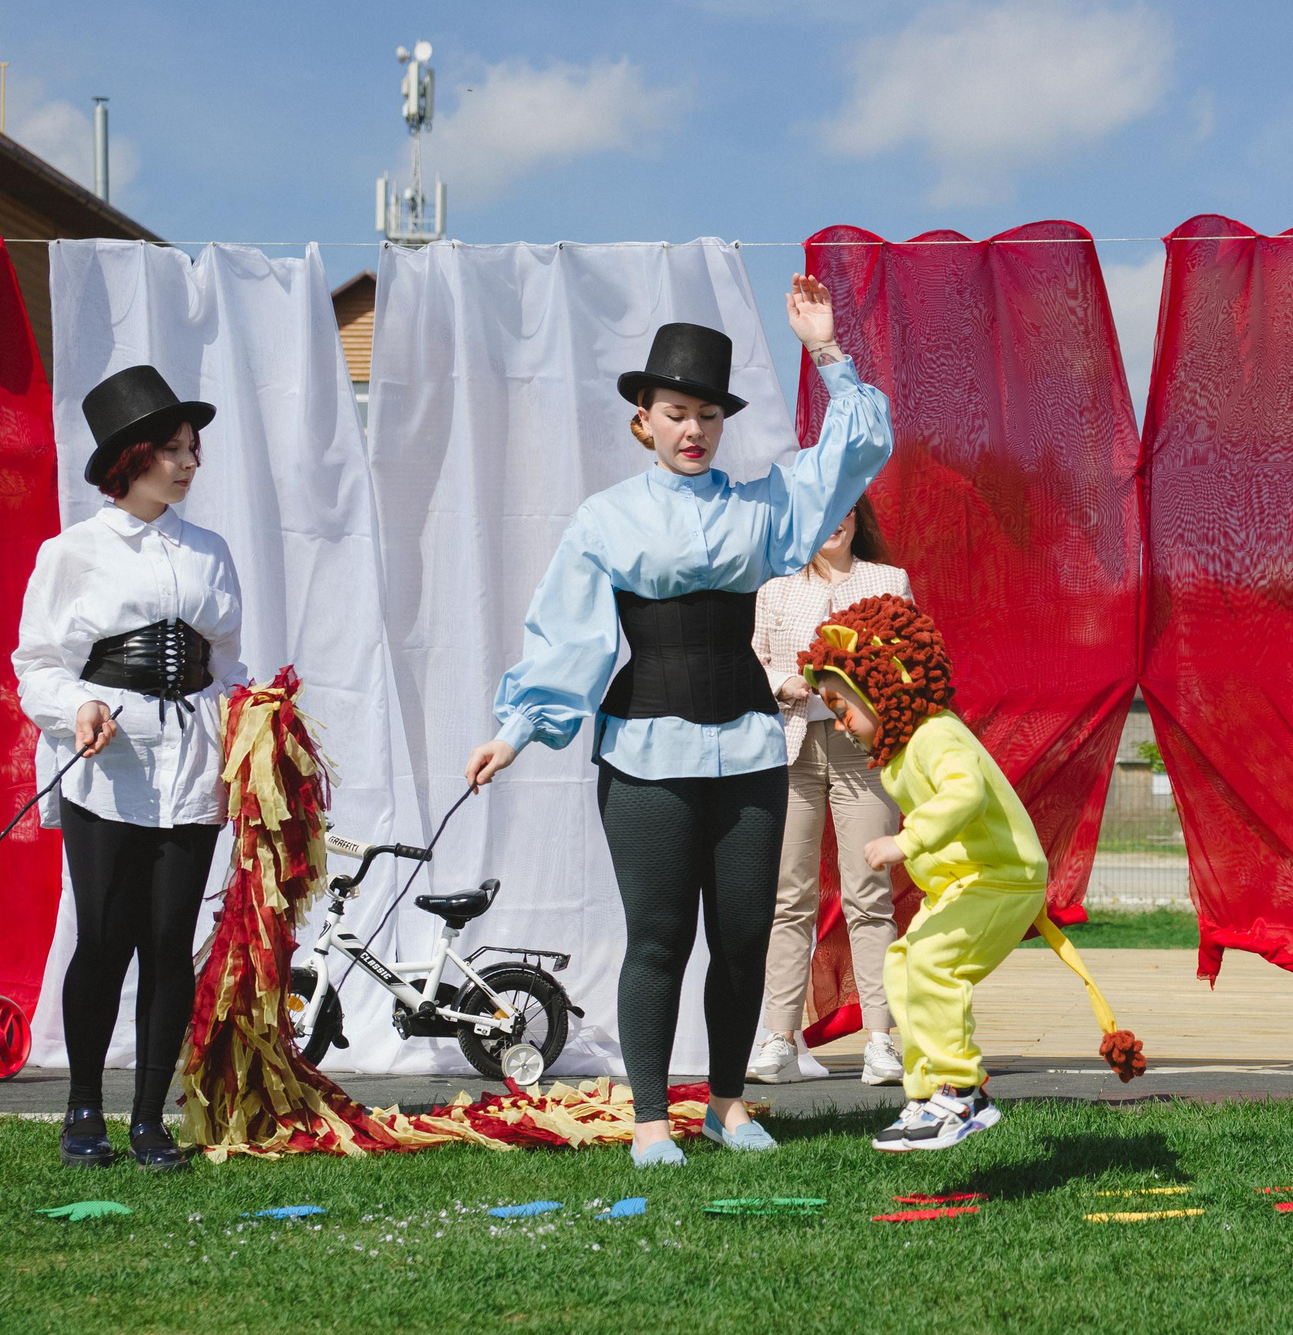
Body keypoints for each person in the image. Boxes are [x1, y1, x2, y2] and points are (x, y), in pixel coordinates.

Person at [463, 279, 892, 1169]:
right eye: (675, 411)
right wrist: (515, 731)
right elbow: (568, 639)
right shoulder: (604, 520)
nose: (692, 429)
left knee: (740, 938)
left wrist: (826, 351)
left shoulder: (763, 507)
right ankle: (652, 1119)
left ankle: (728, 1107)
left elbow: (858, 451)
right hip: (645, 753)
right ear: (644, 421)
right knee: (659, 936)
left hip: (747, 748)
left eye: (706, 414)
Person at [796, 594, 1144, 1153]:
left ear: (881, 688)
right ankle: (926, 1095)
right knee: (903, 963)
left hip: (1002, 876)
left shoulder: (936, 735)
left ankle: (962, 1093)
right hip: (966, 881)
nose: (839, 725)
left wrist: (905, 842)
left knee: (934, 963)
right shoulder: (902, 752)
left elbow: (966, 791)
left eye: (843, 708)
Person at [14, 365, 246, 1172]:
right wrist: (73, 707)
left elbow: (227, 663)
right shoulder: (73, 551)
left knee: (167, 938)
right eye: (175, 450)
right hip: (108, 764)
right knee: (106, 938)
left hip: (194, 763)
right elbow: (38, 661)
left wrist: (255, 726)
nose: (191, 463)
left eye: (193, 448)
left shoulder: (209, 551)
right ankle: (84, 1107)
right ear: (132, 457)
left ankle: (149, 1118)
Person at [747, 494, 911, 1087]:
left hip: (860, 754)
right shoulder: (776, 588)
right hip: (789, 751)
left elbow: (908, 663)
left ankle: (881, 1040)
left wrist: (866, 678)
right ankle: (778, 1037)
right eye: (820, 511)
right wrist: (783, 680)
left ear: (859, 516)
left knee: (870, 896)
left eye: (844, 508)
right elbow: (751, 661)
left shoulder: (888, 580)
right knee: (789, 899)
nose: (834, 522)